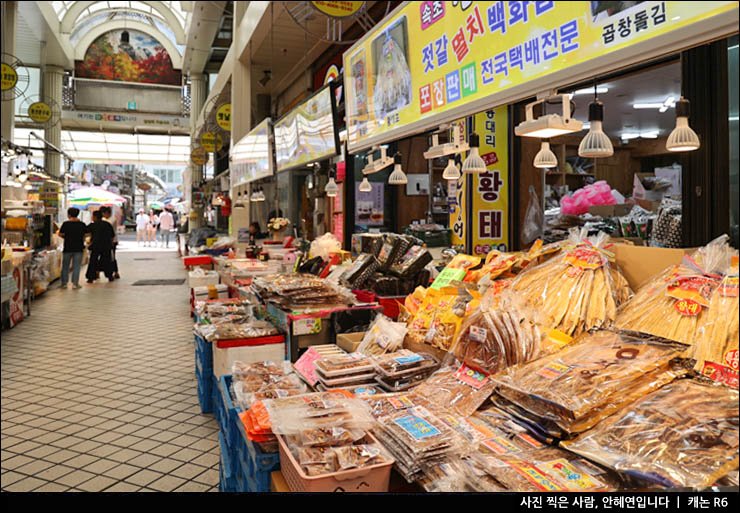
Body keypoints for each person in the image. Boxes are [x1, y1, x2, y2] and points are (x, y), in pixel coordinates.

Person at [58, 207, 87, 289]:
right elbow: (87, 234)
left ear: (69, 215)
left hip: (68, 247)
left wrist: (67, 237)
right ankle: (75, 284)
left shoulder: (66, 224)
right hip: (79, 248)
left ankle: (64, 283)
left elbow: (60, 234)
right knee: (77, 266)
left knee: (65, 266)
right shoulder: (82, 224)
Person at [85, 210, 116, 283]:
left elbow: (86, 232)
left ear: (95, 217)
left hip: (95, 245)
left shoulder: (92, 225)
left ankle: (91, 277)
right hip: (106, 246)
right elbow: (112, 236)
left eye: (92, 216)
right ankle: (109, 276)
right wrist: (111, 244)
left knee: (93, 261)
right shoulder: (107, 224)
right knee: (107, 261)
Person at [100, 206, 120, 280]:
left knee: (112, 257)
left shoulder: (111, 220)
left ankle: (115, 272)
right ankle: (113, 272)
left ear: (106, 213)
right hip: (107, 241)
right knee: (109, 257)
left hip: (111, 241)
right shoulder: (106, 219)